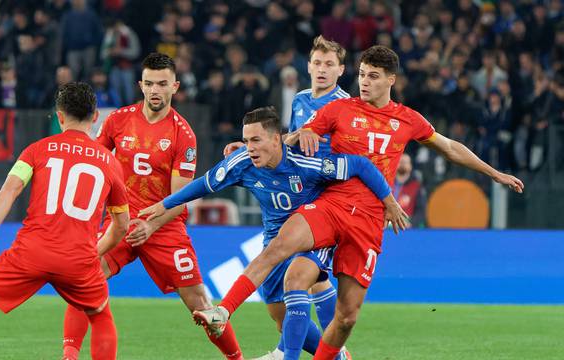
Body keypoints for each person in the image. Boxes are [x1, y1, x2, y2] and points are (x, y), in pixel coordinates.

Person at [193, 45, 524, 360]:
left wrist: (494, 173)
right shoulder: (339, 109)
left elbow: (450, 147)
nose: (365, 81)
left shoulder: (408, 119)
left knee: (347, 317)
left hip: (367, 221)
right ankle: (225, 312)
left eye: (373, 76)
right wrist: (254, 148)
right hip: (331, 205)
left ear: (391, 79)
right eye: (363, 74)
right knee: (282, 254)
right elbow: (292, 138)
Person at [139, 106, 406, 360]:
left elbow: (361, 166)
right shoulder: (242, 162)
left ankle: (253, 332)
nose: (250, 148)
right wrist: (163, 204)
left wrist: (388, 202)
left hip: (315, 234)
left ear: (277, 139)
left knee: (297, 281)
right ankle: (337, 354)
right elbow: (202, 185)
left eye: (256, 140)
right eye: (246, 140)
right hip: (276, 236)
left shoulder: (307, 161)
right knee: (280, 316)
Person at [61, 53, 243, 360]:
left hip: (164, 227)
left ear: (175, 86)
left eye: (161, 84)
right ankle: (69, 354)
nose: (154, 90)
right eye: (149, 84)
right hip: (121, 222)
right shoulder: (118, 120)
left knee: (200, 304)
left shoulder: (182, 134)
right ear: (140, 85)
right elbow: (94, 163)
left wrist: (151, 225)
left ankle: (236, 358)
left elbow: (180, 196)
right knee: (84, 276)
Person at [0, 82, 130, 360]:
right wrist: (92, 254)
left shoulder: (37, 150)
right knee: (100, 317)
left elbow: (9, 191)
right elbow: (122, 225)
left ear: (59, 115)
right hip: (78, 261)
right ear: (96, 116)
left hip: (31, 253)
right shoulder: (111, 164)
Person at [224, 35, 351, 360]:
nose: (322, 69)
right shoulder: (300, 99)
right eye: (317, 63)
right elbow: (287, 145)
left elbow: (344, 157)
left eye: (329, 64)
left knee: (306, 279)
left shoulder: (345, 106)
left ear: (341, 69)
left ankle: (315, 353)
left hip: (327, 199)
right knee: (297, 292)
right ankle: (321, 351)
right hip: (297, 197)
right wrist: (253, 146)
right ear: (308, 66)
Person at [394, 153, 426, 228]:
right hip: (387, 226)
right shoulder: (386, 183)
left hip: (408, 227)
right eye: (400, 162)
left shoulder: (416, 186)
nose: (402, 164)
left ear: (410, 166)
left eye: (405, 162)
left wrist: (411, 223)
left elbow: (421, 211)